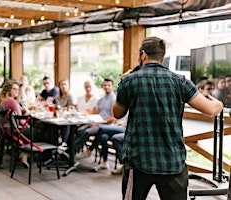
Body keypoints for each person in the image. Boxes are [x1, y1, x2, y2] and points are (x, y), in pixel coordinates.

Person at [113, 36, 223, 199]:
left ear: (143, 55)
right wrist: (219, 103)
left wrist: (122, 83)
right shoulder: (180, 81)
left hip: (138, 160)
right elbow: (211, 110)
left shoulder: (129, 81)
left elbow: (117, 113)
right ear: (162, 56)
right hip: (172, 161)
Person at [75, 78, 116, 158]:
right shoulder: (101, 99)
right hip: (97, 123)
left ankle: (74, 151)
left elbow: (113, 118)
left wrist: (99, 123)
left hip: (106, 125)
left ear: (113, 86)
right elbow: (96, 114)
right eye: (105, 85)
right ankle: (74, 149)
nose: (106, 87)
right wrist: (93, 121)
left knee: (87, 132)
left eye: (109, 85)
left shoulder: (114, 100)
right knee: (79, 130)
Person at [0, 79, 31, 168]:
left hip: (6, 130)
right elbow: (21, 121)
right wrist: (28, 124)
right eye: (14, 89)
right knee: (42, 133)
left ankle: (24, 153)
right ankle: (26, 153)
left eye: (18, 89)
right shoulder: (11, 101)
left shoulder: (2, 100)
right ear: (8, 90)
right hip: (14, 131)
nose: (17, 91)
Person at [55, 78, 77, 150]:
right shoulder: (58, 97)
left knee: (66, 124)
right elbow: (56, 109)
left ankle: (64, 144)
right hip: (59, 118)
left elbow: (70, 109)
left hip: (70, 119)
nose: (64, 86)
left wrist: (61, 111)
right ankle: (53, 144)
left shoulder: (71, 95)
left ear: (68, 86)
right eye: (62, 84)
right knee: (51, 126)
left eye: (65, 84)